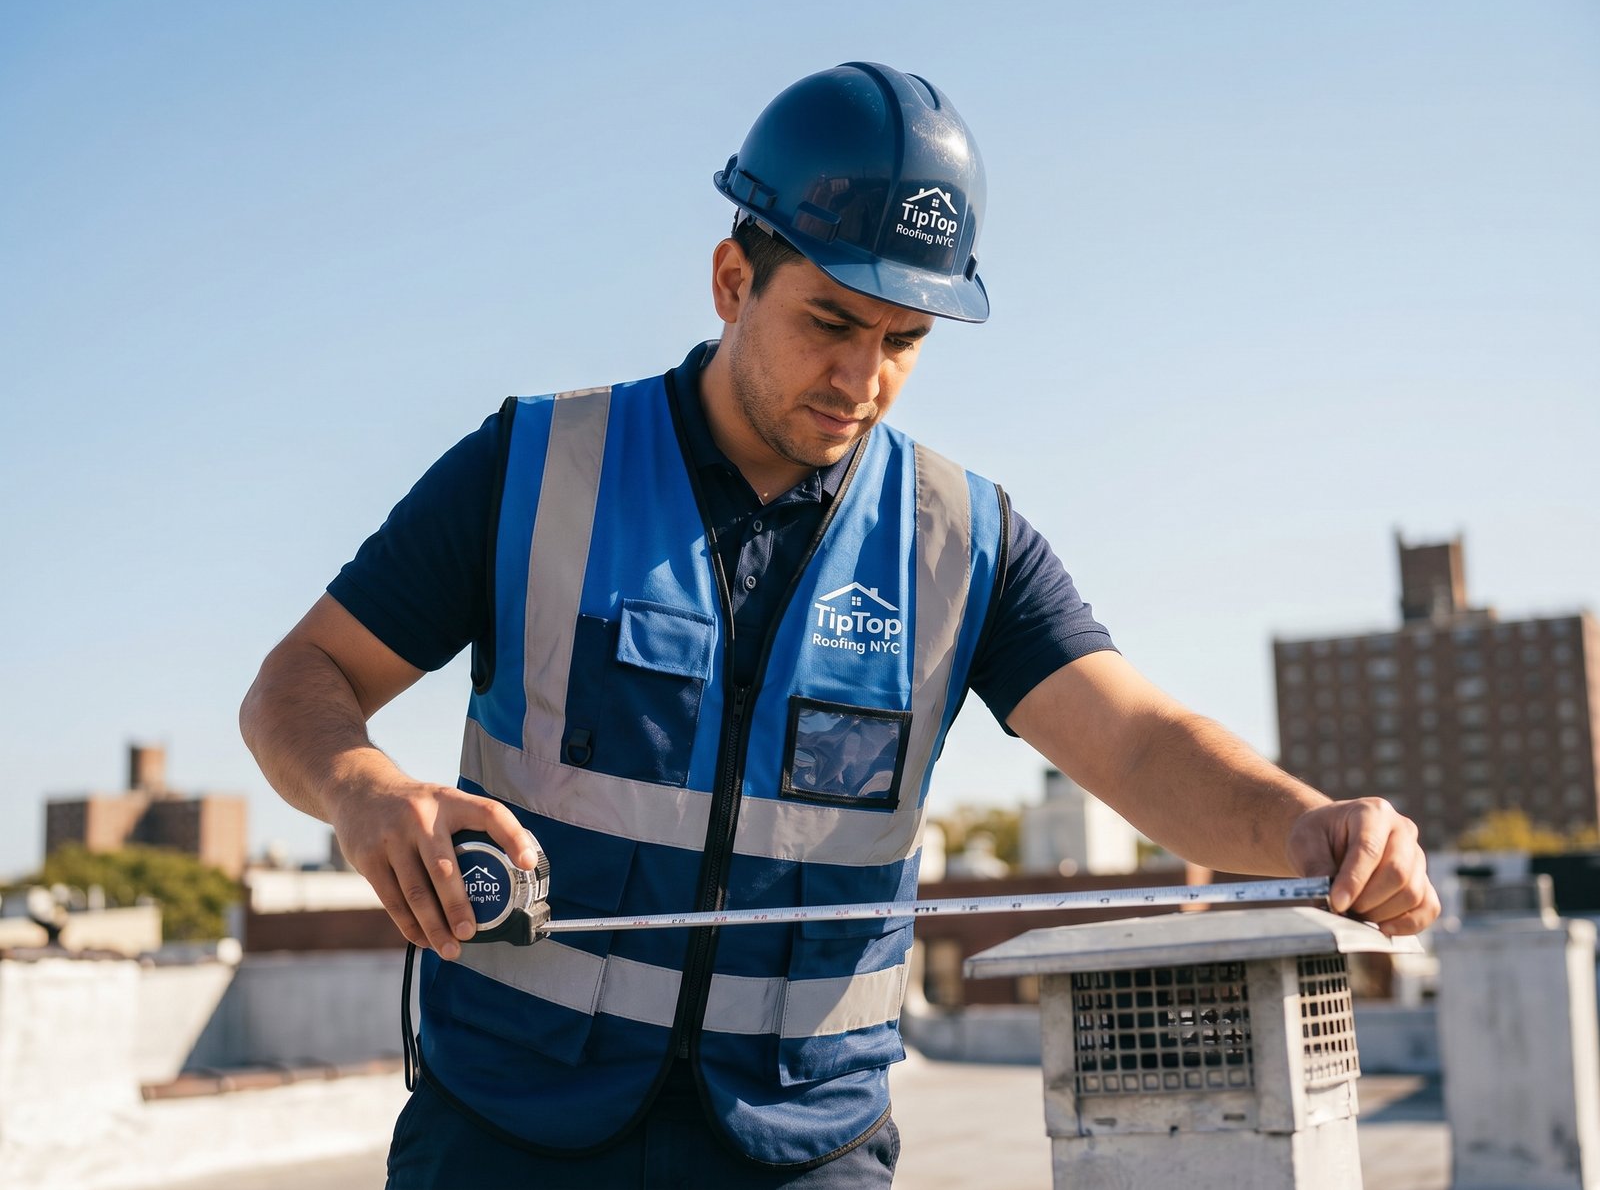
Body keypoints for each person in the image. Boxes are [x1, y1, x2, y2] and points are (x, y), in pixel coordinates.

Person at [240, 61, 1439, 1188]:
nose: (863, 376)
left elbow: (1133, 739)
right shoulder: (535, 468)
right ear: (731, 281)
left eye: (904, 341)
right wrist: (360, 788)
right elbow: (300, 680)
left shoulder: (959, 540)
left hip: (802, 1143)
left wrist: (1304, 824)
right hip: (506, 1130)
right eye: (830, 320)